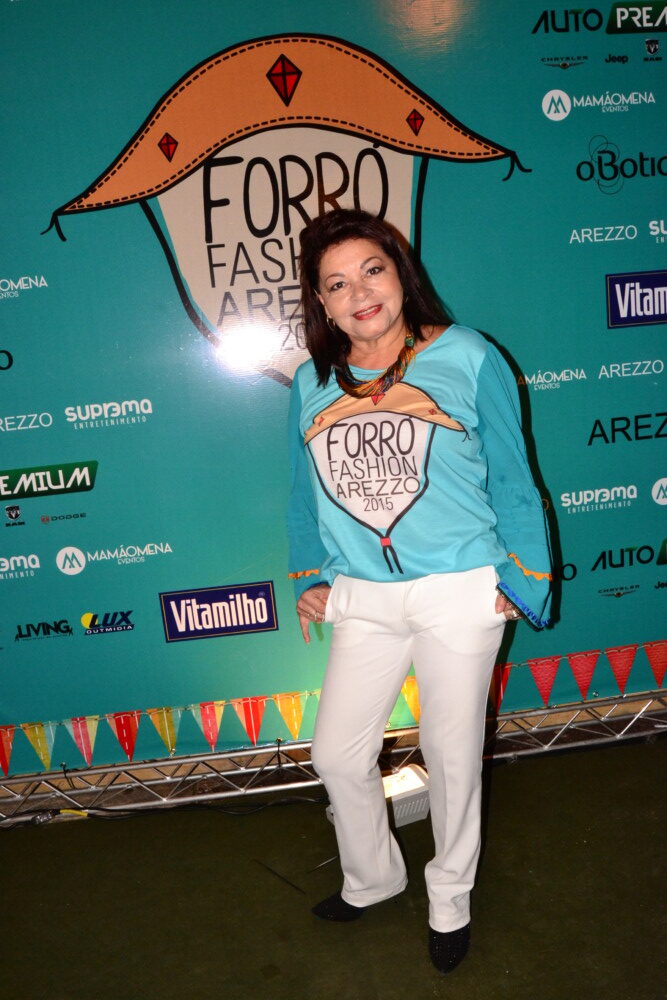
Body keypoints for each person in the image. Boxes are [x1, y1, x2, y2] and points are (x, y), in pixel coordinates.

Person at [287, 208, 552, 974]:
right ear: (321, 301)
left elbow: (512, 473)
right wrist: (311, 574)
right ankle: (372, 879)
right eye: (337, 283)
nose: (359, 293)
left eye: (371, 270)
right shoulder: (310, 381)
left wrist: (524, 575)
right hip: (364, 598)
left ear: (400, 273)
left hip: (460, 590)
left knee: (451, 754)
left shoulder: (465, 354)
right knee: (336, 754)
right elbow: (302, 491)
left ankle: (449, 898)